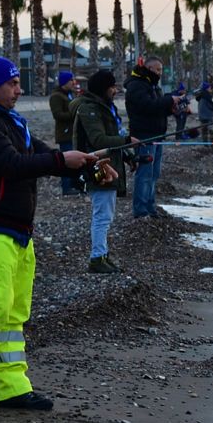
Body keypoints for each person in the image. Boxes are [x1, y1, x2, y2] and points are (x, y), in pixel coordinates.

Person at [0, 51, 115, 411]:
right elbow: (12, 164)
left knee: (13, 314)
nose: (19, 89)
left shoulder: (10, 120)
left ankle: (11, 388)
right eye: (13, 83)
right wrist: (61, 160)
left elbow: (43, 155)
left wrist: (86, 165)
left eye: (19, 83)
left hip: (19, 231)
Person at [70, 70, 132, 273]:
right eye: (113, 86)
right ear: (103, 88)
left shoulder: (104, 107)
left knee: (106, 215)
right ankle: (96, 259)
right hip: (98, 168)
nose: (115, 90)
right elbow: (98, 140)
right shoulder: (89, 109)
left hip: (109, 166)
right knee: (102, 216)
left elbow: (112, 136)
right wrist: (127, 141)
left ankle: (103, 254)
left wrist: (128, 155)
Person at [124, 56, 180, 219]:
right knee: (145, 173)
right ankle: (140, 210)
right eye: (157, 70)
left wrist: (172, 109)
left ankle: (150, 206)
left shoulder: (153, 86)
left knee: (154, 174)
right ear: (148, 68)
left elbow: (157, 108)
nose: (160, 73)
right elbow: (147, 106)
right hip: (143, 135)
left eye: (161, 70)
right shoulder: (137, 85)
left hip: (157, 135)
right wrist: (169, 99)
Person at [49, 71, 78, 195]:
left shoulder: (70, 95)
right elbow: (58, 115)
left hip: (73, 133)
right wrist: (75, 114)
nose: (73, 82)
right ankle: (66, 187)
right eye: (71, 80)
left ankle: (74, 185)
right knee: (66, 160)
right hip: (65, 134)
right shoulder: (56, 96)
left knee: (75, 160)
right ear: (64, 82)